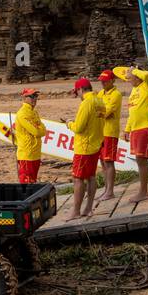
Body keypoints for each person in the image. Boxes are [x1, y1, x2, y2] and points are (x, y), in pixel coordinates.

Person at [116, 65, 148, 203]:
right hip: (136, 128)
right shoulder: (134, 90)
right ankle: (143, 190)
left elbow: (147, 75)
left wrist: (133, 70)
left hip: (147, 125)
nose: (128, 79)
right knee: (139, 159)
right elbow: (132, 112)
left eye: (130, 76)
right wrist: (127, 129)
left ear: (136, 74)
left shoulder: (146, 85)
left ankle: (143, 191)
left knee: (141, 158)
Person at [65, 77, 104, 220]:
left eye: (77, 93)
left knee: (78, 178)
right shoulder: (100, 101)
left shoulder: (86, 103)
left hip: (84, 147)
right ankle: (88, 208)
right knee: (91, 177)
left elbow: (79, 128)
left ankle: (75, 211)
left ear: (81, 90)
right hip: (96, 144)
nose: (78, 96)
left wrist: (69, 123)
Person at [96, 69, 123, 202]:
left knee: (109, 161)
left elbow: (105, 112)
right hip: (100, 131)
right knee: (102, 161)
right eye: (102, 81)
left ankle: (110, 191)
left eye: (105, 81)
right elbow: (97, 109)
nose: (103, 83)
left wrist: (101, 111)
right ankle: (106, 189)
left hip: (110, 132)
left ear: (112, 81)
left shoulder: (116, 94)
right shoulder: (101, 93)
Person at [13, 88, 49, 183]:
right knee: (26, 184)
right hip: (26, 155)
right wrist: (40, 129)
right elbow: (37, 132)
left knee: (33, 182)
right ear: (25, 98)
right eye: (32, 96)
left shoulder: (34, 112)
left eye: (36, 96)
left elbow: (43, 131)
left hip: (35, 154)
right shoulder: (22, 114)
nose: (35, 99)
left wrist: (40, 129)